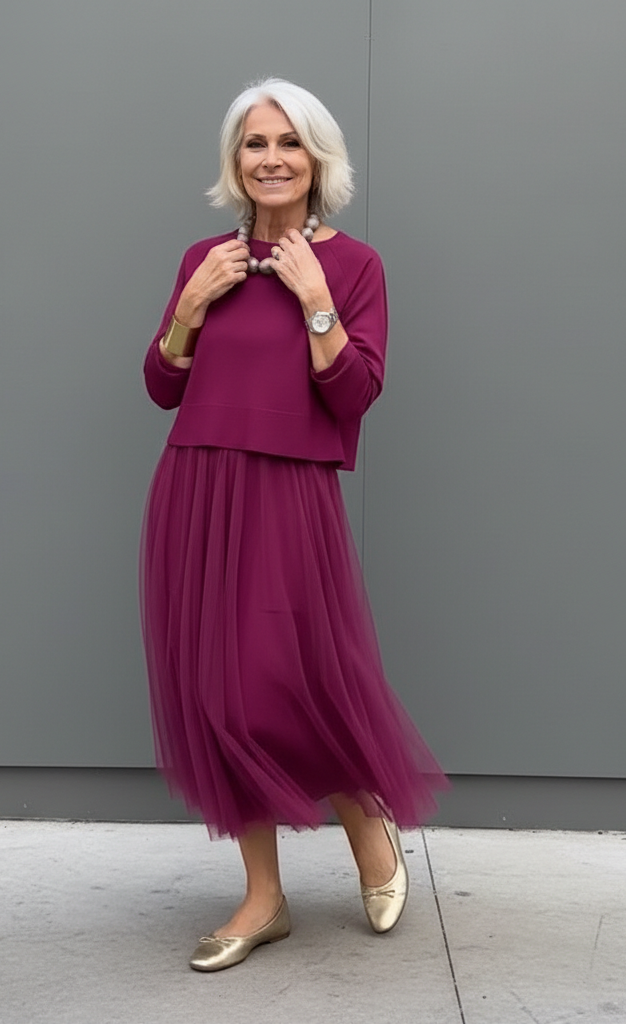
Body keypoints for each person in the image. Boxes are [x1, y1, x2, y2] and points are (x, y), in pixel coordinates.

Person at [141, 78, 448, 972]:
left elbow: (353, 394)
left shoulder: (354, 267)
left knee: (279, 682)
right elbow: (162, 386)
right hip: (197, 483)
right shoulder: (204, 258)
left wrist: (316, 298)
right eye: (254, 144)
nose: (271, 159)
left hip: (286, 491)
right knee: (216, 693)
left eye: (289, 143)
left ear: (317, 160)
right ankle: (264, 898)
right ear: (234, 161)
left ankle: (362, 815)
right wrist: (190, 307)